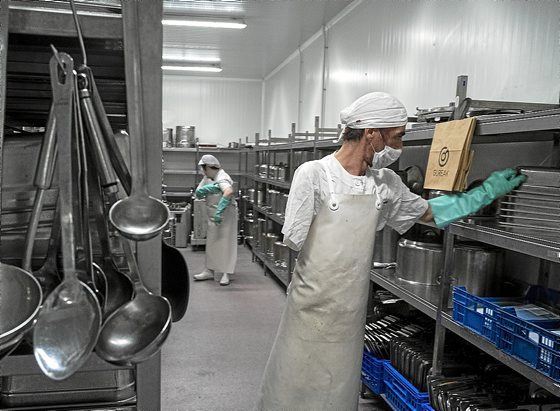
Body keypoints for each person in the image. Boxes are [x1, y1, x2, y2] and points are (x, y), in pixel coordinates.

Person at [256, 92, 526, 410]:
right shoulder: (314, 175)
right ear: (371, 133)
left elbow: (429, 213)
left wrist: (481, 195)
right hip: (310, 307)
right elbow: (294, 241)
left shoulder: (385, 183)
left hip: (351, 310)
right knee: (294, 385)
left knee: (336, 390)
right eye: (397, 136)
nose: (399, 146)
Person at [193, 154, 238, 286]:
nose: (203, 172)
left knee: (225, 244)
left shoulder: (222, 177)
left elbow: (228, 192)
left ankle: (225, 273)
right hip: (213, 217)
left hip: (225, 216)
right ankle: (209, 271)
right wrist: (204, 190)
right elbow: (198, 191)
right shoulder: (208, 178)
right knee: (212, 244)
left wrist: (219, 211)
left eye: (204, 169)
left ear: (209, 167)